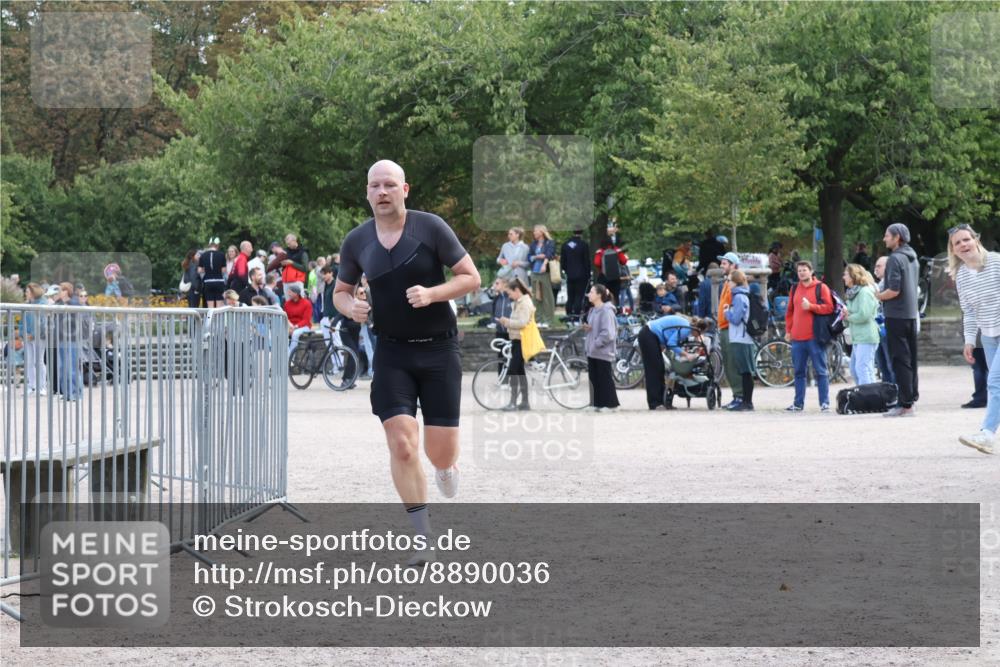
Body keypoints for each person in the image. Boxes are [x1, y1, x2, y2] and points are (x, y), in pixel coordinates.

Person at [333, 160, 480, 565]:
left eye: (390, 185)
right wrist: (352, 308)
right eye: (375, 186)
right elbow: (340, 292)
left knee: (440, 452)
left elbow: (471, 277)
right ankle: (423, 538)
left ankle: (446, 468)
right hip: (392, 351)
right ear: (367, 193)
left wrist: (434, 294)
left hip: (438, 350)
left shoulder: (430, 227)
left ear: (405, 189)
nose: (382, 192)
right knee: (401, 443)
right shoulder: (357, 240)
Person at [950, 224, 1000, 454]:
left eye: (966, 239)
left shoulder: (997, 263)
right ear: (953, 250)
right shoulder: (961, 275)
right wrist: (969, 341)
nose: (963, 245)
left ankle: (987, 434)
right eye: (957, 243)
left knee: (995, 383)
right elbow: (969, 311)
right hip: (989, 336)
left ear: (976, 240)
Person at [877, 223, 920, 417]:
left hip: (896, 315)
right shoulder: (913, 257)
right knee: (911, 359)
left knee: (899, 360)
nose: (885, 238)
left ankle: (905, 404)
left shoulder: (895, 259)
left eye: (887, 235)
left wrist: (876, 295)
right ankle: (911, 398)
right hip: (911, 314)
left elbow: (893, 290)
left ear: (897, 238)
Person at [784, 260, 834, 412]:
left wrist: (811, 307)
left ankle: (824, 403)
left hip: (815, 336)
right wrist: (788, 330)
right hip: (797, 338)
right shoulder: (794, 288)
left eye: (804, 270)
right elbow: (790, 311)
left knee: (821, 370)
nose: (801, 273)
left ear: (811, 271)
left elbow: (829, 308)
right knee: (799, 372)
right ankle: (798, 403)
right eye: (799, 271)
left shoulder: (821, 287)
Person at [637, 313, 710, 410]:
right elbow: (672, 344)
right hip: (649, 335)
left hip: (649, 333)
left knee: (660, 368)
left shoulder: (686, 325)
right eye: (700, 333)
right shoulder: (686, 328)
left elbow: (669, 339)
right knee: (654, 370)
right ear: (698, 330)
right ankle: (655, 403)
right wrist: (686, 355)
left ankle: (661, 401)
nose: (699, 336)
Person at [498, 277, 535, 412]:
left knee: (514, 370)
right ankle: (524, 402)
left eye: (509, 293)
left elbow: (522, 322)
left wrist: (506, 322)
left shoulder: (524, 303)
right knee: (519, 371)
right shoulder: (519, 302)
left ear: (517, 290)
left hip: (521, 340)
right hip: (517, 340)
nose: (509, 296)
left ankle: (513, 402)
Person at [723, 270, 756, 411]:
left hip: (741, 337)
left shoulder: (738, 297)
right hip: (743, 337)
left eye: (729, 280)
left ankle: (747, 402)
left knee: (745, 371)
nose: (728, 283)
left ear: (736, 282)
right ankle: (746, 401)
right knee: (745, 370)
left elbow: (736, 319)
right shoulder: (743, 295)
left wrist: (726, 312)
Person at [583, 284, 619, 411]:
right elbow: (595, 328)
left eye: (592, 292)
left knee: (605, 378)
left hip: (603, 350)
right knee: (594, 378)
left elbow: (608, 333)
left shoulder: (606, 311)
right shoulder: (593, 310)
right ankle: (596, 404)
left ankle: (611, 404)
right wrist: (588, 329)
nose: (589, 294)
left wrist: (596, 343)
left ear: (599, 295)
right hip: (592, 351)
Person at [842, 263, 880, 386]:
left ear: (854, 276)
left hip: (867, 336)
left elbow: (864, 315)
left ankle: (868, 398)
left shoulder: (864, 292)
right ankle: (863, 395)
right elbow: (853, 315)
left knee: (863, 368)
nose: (843, 277)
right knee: (854, 369)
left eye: (846, 274)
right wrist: (846, 315)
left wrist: (849, 316)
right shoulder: (852, 293)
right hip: (858, 337)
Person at [716, 251, 744, 409]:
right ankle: (736, 395)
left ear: (733, 265)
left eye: (725, 263)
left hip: (731, 327)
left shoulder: (736, 283)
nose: (722, 265)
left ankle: (740, 396)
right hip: (724, 327)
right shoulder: (727, 282)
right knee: (728, 363)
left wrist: (728, 314)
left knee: (733, 363)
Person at [53, 282, 83, 401]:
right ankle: (67, 392)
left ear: (66, 291)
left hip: (72, 340)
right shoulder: (58, 303)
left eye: (61, 290)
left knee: (73, 367)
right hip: (61, 339)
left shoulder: (74, 302)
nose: (59, 292)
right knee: (62, 367)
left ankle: (77, 393)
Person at [20, 283, 48, 396]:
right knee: (29, 362)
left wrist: (33, 334)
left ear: (32, 292)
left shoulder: (42, 304)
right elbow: (22, 322)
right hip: (28, 337)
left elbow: (43, 324)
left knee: (39, 361)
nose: (25, 293)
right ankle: (32, 386)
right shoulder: (27, 304)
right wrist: (23, 333)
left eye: (27, 291)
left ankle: (42, 387)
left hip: (39, 337)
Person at [872, 255, 895, 384]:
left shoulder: (892, 283)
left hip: (888, 328)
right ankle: (887, 394)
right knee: (882, 364)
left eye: (879, 266)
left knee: (890, 363)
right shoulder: (878, 284)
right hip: (878, 329)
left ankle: (896, 394)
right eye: (875, 266)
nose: (876, 269)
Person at [560, 228, 591, 321]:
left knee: (570, 295)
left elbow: (563, 262)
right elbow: (586, 261)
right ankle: (577, 316)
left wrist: (567, 270)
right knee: (579, 295)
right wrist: (588, 273)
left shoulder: (565, 245)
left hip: (570, 274)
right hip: (582, 275)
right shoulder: (584, 245)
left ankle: (569, 314)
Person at [528, 225, 557, 327]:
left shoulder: (550, 242)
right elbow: (529, 257)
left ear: (541, 232)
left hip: (545, 272)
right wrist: (538, 256)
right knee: (536, 296)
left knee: (547, 296)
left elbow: (549, 254)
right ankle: (538, 319)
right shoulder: (533, 244)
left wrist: (543, 261)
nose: (534, 233)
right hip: (534, 272)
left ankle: (548, 320)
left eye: (536, 231)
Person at [594, 236, 627, 305]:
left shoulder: (600, 252)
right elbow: (624, 261)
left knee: (603, 296)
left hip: (603, 278)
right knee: (615, 296)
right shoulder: (617, 250)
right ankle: (616, 310)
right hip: (615, 278)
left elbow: (596, 263)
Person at [283, 284, 313, 357]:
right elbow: (285, 317)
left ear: (296, 293)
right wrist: (290, 326)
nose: (288, 294)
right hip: (290, 326)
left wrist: (295, 327)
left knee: (295, 333)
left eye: (290, 292)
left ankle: (290, 358)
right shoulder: (287, 304)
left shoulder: (306, 303)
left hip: (304, 326)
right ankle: (286, 355)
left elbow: (306, 320)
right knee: (282, 334)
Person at [199, 237, 227, 308]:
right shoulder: (221, 255)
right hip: (219, 281)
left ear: (209, 244)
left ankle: (209, 318)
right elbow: (224, 270)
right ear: (217, 245)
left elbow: (199, 270)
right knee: (219, 306)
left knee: (210, 306)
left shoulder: (203, 255)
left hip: (208, 282)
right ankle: (218, 319)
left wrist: (207, 270)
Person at [964, 334, 988, 409]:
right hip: (981, 339)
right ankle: (982, 398)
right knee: (985, 369)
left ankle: (980, 398)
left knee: (979, 369)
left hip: (976, 340)